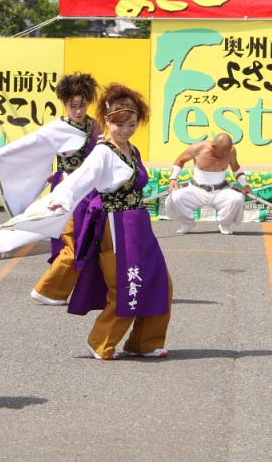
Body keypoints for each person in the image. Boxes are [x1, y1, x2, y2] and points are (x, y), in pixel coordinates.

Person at [46, 83, 171, 360]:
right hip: (115, 226)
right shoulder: (103, 152)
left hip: (138, 224)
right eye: (119, 124)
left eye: (132, 124)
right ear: (107, 120)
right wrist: (61, 199)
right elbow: (80, 179)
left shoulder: (132, 150)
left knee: (160, 281)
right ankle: (101, 341)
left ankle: (146, 342)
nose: (125, 130)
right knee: (126, 285)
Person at [0, 72, 100, 305]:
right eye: (73, 105)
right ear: (65, 104)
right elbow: (30, 142)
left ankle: (83, 289)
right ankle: (48, 289)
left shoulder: (94, 125)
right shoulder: (57, 128)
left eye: (82, 105)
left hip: (90, 190)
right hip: (67, 189)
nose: (78, 110)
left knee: (92, 238)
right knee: (72, 239)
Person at [164, 133, 252, 235]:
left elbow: (236, 169)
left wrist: (245, 184)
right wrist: (173, 178)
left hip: (220, 191)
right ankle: (187, 222)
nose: (224, 155)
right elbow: (180, 160)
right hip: (196, 190)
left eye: (226, 152)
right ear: (213, 146)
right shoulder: (197, 148)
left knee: (237, 198)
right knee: (175, 197)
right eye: (221, 152)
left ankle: (224, 223)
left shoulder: (231, 151)